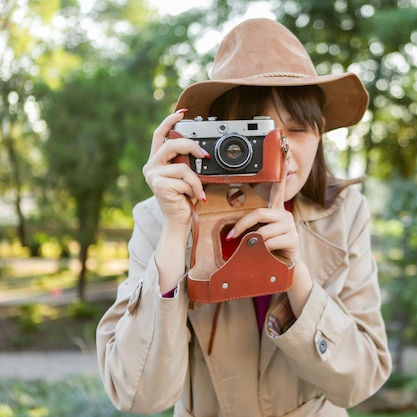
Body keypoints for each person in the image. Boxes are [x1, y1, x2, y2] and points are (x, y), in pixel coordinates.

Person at [96, 18, 391, 417]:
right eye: (255, 132)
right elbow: (139, 397)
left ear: (320, 136)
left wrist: (297, 277)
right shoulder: (160, 219)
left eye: (298, 129)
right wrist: (176, 234)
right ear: (215, 135)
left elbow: (361, 380)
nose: (280, 151)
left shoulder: (344, 214)